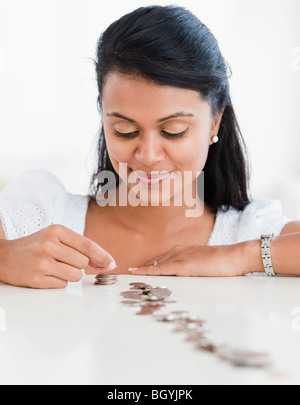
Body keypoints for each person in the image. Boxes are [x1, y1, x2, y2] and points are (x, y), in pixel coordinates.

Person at [0, 5, 299, 289]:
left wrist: (239, 256)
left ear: (214, 123)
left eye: (173, 131)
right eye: (125, 130)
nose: (148, 155)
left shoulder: (248, 233)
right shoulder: (43, 213)